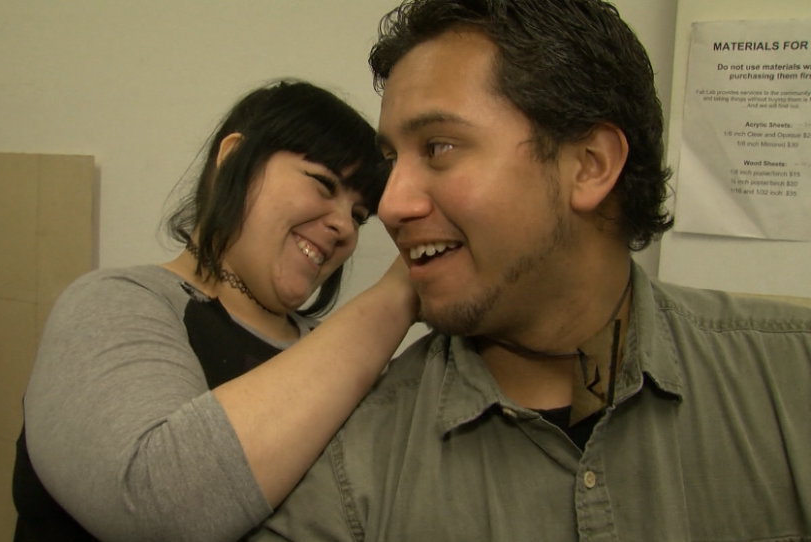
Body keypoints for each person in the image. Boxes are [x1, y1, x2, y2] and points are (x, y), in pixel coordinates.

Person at [247, 1, 811, 540]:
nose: (390, 204)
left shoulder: (791, 379)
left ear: (590, 166)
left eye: (439, 147)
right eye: (393, 160)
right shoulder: (356, 463)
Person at [11, 79, 417, 542]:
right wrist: (400, 292)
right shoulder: (112, 303)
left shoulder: (332, 352)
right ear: (232, 161)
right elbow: (155, 506)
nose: (344, 226)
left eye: (360, 215)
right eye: (323, 184)